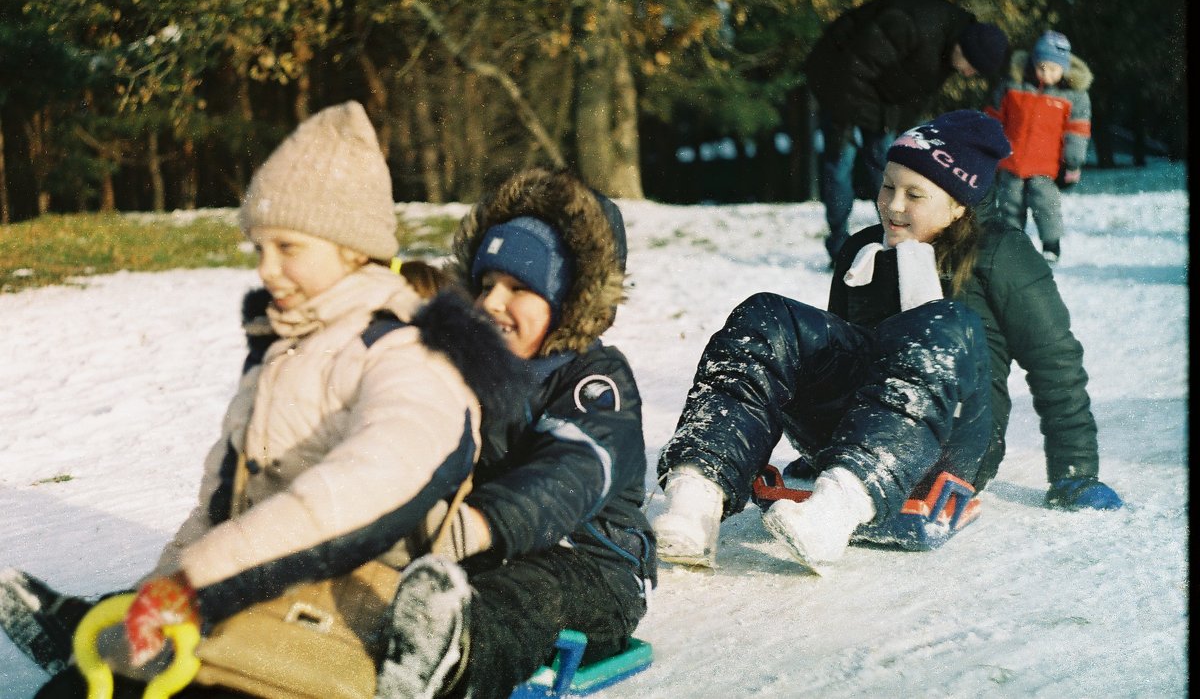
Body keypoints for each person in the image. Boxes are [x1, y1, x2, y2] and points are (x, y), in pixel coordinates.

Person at [0, 101, 526, 697]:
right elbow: (218, 506)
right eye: (259, 249)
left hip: (346, 612)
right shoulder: (280, 352)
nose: (267, 270)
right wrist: (158, 592)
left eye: (289, 248)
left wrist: (198, 584)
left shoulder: (409, 355)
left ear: (353, 247)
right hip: (238, 596)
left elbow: (375, 479)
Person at [654, 109, 1123, 572]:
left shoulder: (1002, 253)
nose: (892, 205)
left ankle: (835, 510)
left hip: (953, 444)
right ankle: (697, 496)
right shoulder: (862, 251)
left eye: (914, 194)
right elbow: (831, 356)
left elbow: (1055, 363)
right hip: (856, 436)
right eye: (887, 186)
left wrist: (1075, 472)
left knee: (942, 322)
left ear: (958, 203)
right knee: (768, 315)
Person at [370, 168, 655, 699]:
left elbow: (571, 470)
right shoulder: (465, 370)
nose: (492, 304)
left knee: (519, 597)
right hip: (473, 554)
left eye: (519, 288)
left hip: (588, 565)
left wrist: (475, 526)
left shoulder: (595, 381)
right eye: (484, 285)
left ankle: (450, 659)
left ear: (571, 302)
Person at [804, 0, 1010, 264]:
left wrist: (898, 132)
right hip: (840, 81)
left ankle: (895, 240)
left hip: (877, 99)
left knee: (890, 166)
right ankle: (839, 245)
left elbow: (912, 96)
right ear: (965, 49)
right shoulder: (916, 25)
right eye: (972, 67)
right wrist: (851, 122)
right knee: (841, 164)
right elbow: (855, 65)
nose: (969, 74)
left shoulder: (947, 51)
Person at [987, 30, 1093, 264]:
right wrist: (988, 148)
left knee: (1046, 205)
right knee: (1009, 204)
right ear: (1033, 62)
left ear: (1064, 69)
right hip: (1010, 160)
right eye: (1041, 67)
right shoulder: (1013, 85)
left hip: (1046, 165)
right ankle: (1010, 243)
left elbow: (1077, 131)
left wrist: (1073, 161)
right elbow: (994, 117)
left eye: (1053, 70)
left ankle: (1051, 244)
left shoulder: (1073, 96)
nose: (1046, 74)